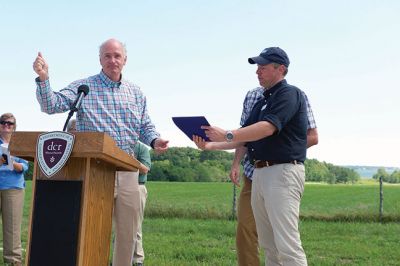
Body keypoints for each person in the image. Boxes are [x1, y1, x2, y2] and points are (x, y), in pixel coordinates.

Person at [33, 38, 169, 266]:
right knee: (91, 228)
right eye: (107, 55)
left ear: (125, 60)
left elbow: (145, 125)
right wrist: (44, 79)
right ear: (100, 60)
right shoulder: (84, 87)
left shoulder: (135, 92)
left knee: (128, 234)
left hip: (128, 170)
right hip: (95, 171)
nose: (112, 60)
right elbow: (51, 105)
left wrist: (155, 140)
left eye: (117, 55)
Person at [195, 47, 309, 265]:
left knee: (287, 245)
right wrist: (210, 146)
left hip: (282, 173)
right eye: (257, 67)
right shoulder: (262, 101)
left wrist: (227, 133)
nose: (258, 71)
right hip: (260, 173)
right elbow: (245, 139)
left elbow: (267, 128)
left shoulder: (290, 94)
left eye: (263, 67)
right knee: (269, 245)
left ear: (281, 69)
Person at [0, 113, 29, 266]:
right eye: (3, 122)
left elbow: (24, 166)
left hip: (13, 188)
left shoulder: (20, 144)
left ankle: (13, 262)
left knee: (12, 227)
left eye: (9, 123)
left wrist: (8, 161)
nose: (6, 125)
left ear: (14, 127)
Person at [132, 141, 151, 266]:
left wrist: (128, 158)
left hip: (137, 186)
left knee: (135, 226)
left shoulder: (141, 148)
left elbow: (145, 169)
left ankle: (138, 260)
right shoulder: (114, 143)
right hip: (113, 184)